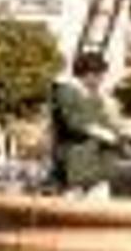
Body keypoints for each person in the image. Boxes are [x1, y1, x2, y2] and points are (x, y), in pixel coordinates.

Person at [50, 52, 122, 198]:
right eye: (99, 75)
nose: (102, 79)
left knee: (100, 212)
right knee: (71, 212)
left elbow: (104, 122)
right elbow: (73, 122)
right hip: (76, 168)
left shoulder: (94, 95)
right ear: (88, 73)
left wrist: (115, 133)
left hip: (97, 169)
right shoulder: (66, 92)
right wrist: (101, 133)